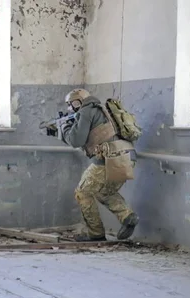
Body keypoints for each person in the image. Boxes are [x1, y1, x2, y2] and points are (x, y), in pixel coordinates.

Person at [53, 88, 139, 242]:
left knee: (83, 192)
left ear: (77, 102)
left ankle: (95, 234)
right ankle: (127, 216)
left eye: (70, 104)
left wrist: (64, 129)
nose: (69, 108)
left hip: (107, 159)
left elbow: (76, 140)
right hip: (128, 156)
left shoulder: (85, 112)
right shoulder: (103, 110)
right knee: (104, 191)